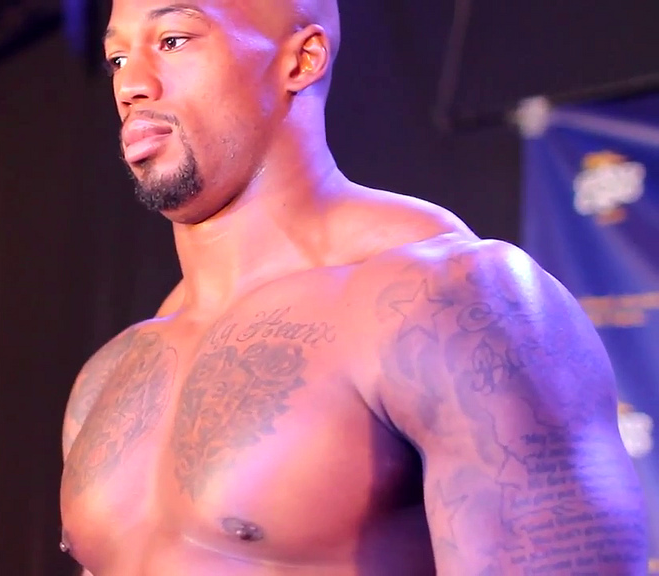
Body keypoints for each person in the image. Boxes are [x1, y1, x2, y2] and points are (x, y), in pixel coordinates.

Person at [58, 0, 649, 574]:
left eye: (173, 41)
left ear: (301, 59)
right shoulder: (110, 376)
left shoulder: (453, 300)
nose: (131, 84)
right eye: (117, 59)